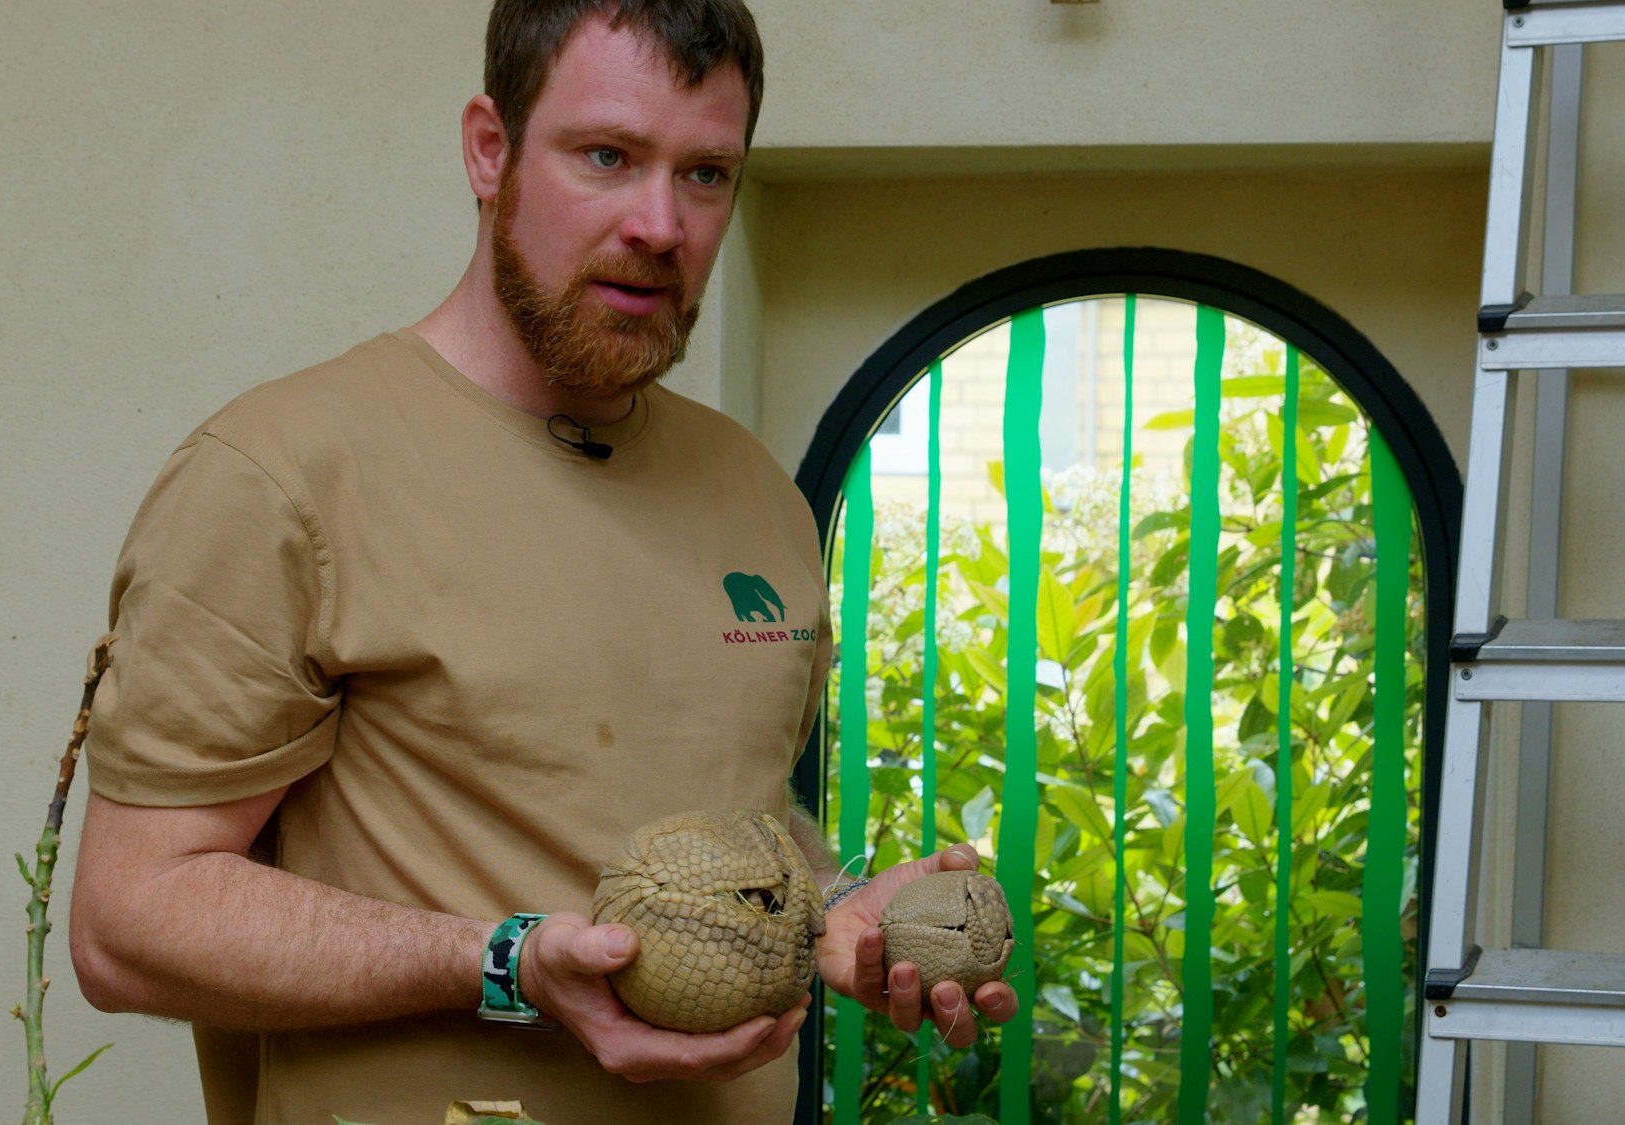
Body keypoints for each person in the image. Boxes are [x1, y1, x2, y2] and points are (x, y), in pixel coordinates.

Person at [68, 2, 1020, 1122]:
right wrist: (507, 965)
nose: (660, 224)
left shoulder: (754, 493)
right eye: (606, 157)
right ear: (489, 149)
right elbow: (126, 926)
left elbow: (713, 812)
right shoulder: (281, 474)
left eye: (706, 174)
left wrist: (836, 908)